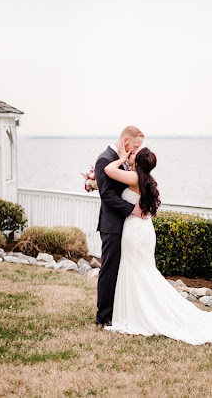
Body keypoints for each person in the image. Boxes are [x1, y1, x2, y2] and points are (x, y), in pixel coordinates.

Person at [102, 142, 212, 348]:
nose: (131, 153)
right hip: (143, 231)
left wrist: (120, 157)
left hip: (135, 231)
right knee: (142, 271)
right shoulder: (148, 179)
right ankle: (139, 309)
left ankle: (140, 313)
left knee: (137, 270)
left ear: (137, 162)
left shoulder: (135, 176)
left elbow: (108, 170)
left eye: (134, 153)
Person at [94, 126, 145, 327]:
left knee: (122, 269)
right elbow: (106, 195)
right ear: (125, 141)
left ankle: (119, 310)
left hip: (126, 225)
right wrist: (131, 209)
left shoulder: (121, 160)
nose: (137, 150)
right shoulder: (105, 159)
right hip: (112, 224)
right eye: (136, 145)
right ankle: (104, 317)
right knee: (109, 269)